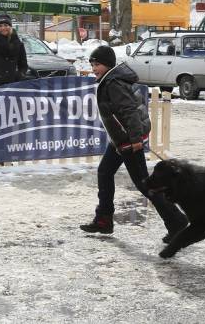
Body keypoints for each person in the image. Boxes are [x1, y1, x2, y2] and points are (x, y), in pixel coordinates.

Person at [80, 45, 189, 242]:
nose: (94, 68)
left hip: (129, 140)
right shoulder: (111, 80)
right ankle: (104, 220)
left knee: (144, 183)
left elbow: (129, 111)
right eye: (92, 65)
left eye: (97, 64)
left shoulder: (113, 83)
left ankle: (176, 221)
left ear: (108, 65)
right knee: (105, 172)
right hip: (121, 139)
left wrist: (136, 139)